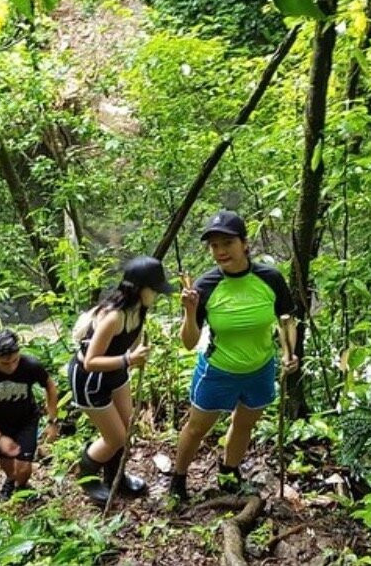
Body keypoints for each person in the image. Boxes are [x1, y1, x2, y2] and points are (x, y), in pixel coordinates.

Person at [170, 211, 299, 500]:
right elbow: (190, 343)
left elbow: (286, 318)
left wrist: (289, 352)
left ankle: (228, 470)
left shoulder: (270, 278)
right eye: (214, 245)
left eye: (227, 242)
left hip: (260, 368)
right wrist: (189, 312)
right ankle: (178, 481)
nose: (220, 251)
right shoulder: (205, 286)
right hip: (218, 371)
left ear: (244, 243)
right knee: (196, 429)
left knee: (244, 424)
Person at [68, 256, 176, 505]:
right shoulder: (113, 317)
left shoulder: (139, 312)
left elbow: (130, 344)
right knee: (114, 438)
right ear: (139, 290)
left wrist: (133, 357)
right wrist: (129, 360)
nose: (157, 295)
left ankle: (115, 476)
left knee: (127, 430)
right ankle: (87, 477)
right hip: (90, 379)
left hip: (115, 374)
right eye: (154, 290)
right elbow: (90, 361)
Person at [0, 329, 59, 501]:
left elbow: (50, 387)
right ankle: (10, 480)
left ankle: (22, 487)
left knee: (24, 468)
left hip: (27, 419)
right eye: (4, 363)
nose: (11, 367)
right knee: (8, 463)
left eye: (15, 360)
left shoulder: (30, 365)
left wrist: (52, 421)